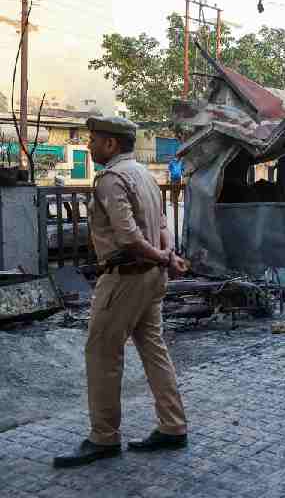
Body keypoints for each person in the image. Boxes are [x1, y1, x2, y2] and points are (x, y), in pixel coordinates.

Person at [54, 116, 190, 469]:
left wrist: (162, 256)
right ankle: (173, 426)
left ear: (111, 144)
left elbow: (128, 236)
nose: (88, 146)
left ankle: (103, 437)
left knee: (101, 354)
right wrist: (166, 256)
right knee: (154, 349)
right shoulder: (144, 174)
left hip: (125, 278)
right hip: (151, 278)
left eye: (93, 140)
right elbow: (162, 224)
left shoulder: (112, 179)